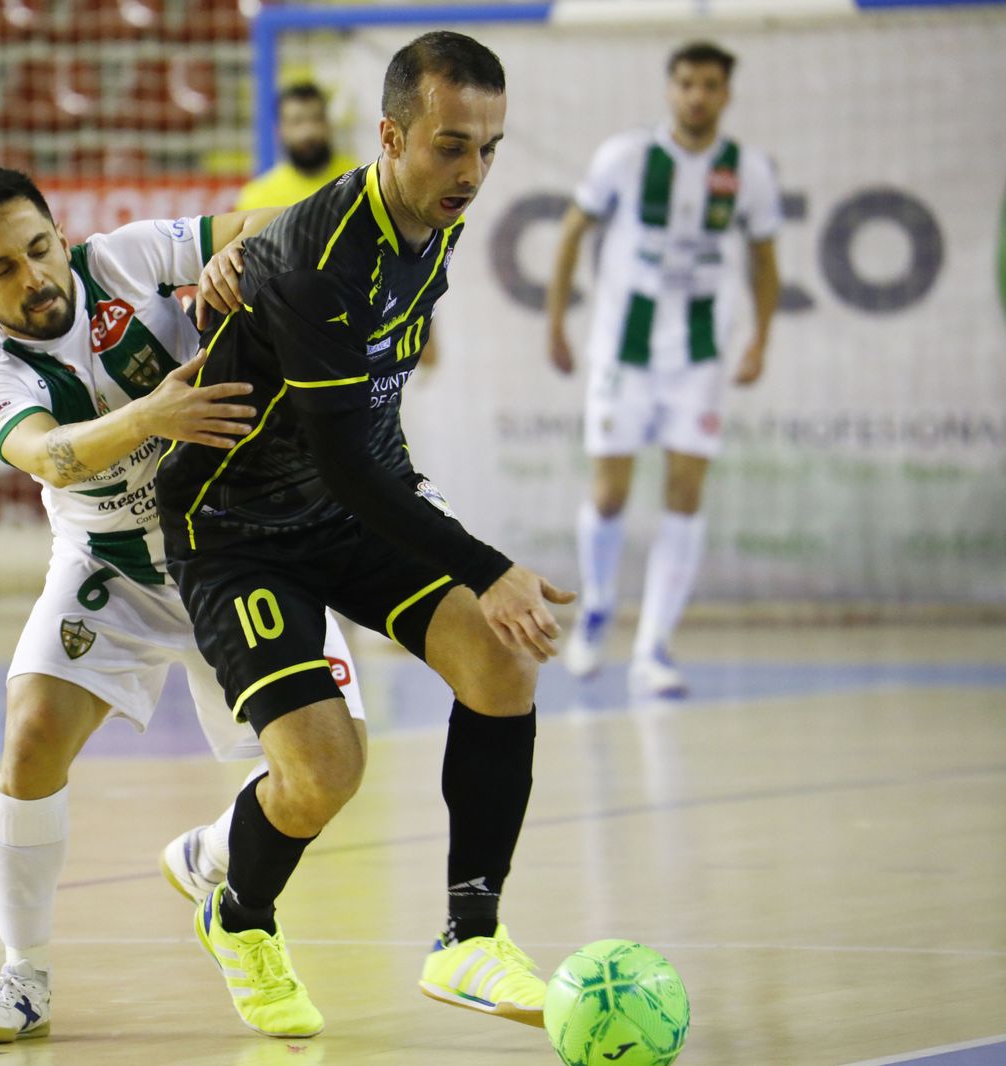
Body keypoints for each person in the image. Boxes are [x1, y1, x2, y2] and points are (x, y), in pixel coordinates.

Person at [155, 31, 573, 1039]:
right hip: (237, 526)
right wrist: (490, 565)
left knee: (499, 664)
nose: (470, 173)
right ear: (390, 136)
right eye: (447, 146)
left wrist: (244, 251)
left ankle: (470, 936)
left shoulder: (431, 213)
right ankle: (238, 911)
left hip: (344, 508)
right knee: (324, 772)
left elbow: (353, 447)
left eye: (488, 147)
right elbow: (347, 456)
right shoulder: (322, 266)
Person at [0, 168, 368, 1045]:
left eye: (40, 250)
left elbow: (272, 218)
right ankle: (24, 978)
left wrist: (243, 254)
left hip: (242, 548)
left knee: (329, 776)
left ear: (63, 236)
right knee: (29, 738)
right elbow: (50, 456)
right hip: (113, 567)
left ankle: (210, 857)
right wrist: (154, 417)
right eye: (3, 270)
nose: (35, 278)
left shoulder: (127, 259)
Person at [546, 41, 782, 696]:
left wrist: (760, 339)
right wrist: (557, 321)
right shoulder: (625, 158)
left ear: (726, 94)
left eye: (709, 85)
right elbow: (570, 233)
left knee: (684, 493)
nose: (697, 95)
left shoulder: (749, 172)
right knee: (611, 492)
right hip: (624, 350)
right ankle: (596, 610)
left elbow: (766, 262)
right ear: (670, 89)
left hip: (699, 358)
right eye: (685, 83)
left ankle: (654, 647)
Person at [236, 82, 361, 213]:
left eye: (316, 119)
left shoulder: (360, 183)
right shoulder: (258, 199)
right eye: (297, 121)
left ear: (328, 124)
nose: (308, 131)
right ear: (280, 130)